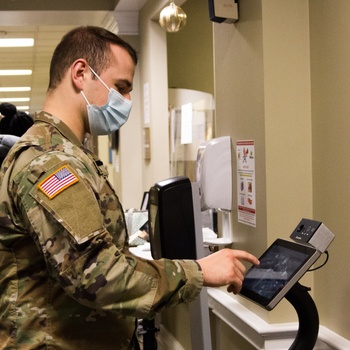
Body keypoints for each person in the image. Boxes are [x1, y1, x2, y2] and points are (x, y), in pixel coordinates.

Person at [0, 26, 259, 349]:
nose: (127, 101)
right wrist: (199, 272)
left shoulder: (70, 154)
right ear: (81, 73)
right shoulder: (51, 162)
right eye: (121, 87)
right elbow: (97, 274)